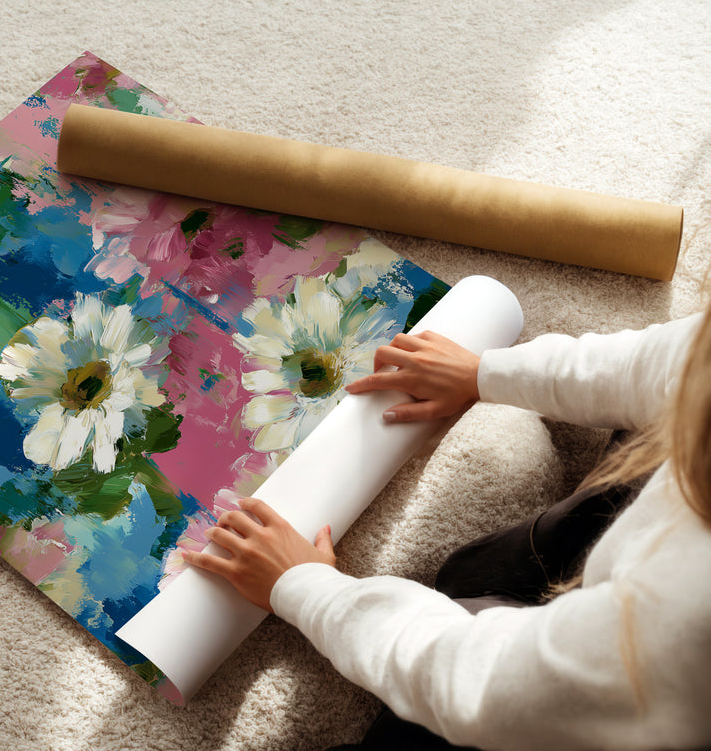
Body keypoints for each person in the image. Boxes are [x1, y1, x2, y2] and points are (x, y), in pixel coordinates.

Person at [183, 310, 711, 750]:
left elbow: (482, 684)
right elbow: (669, 362)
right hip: (640, 592)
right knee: (476, 574)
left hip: (633, 703)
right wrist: (484, 373)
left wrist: (306, 588)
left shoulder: (686, 620)